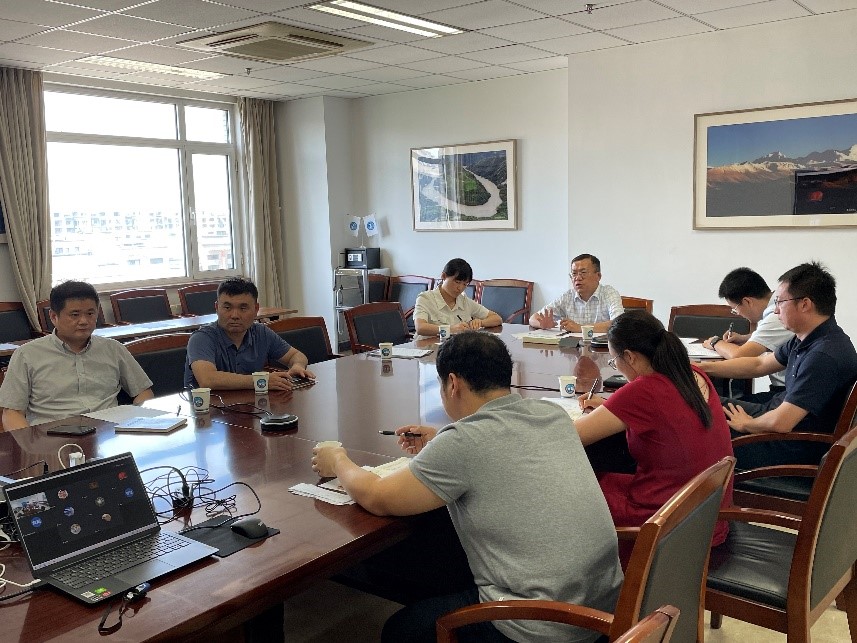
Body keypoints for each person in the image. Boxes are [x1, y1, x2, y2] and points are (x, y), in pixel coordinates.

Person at [312, 332, 622, 643]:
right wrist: (440, 442)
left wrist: (337, 459)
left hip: (541, 627)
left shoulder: (463, 443)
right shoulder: (551, 414)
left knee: (400, 631)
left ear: (452, 383)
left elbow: (376, 496)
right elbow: (501, 448)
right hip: (604, 612)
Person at [575, 310, 734, 545]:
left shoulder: (644, 391)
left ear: (629, 357)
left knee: (574, 492)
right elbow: (668, 414)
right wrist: (611, 407)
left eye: (613, 361)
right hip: (706, 518)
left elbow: (570, 436)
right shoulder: (690, 373)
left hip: (665, 527)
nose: (616, 366)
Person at [698, 262, 857, 469]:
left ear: (805, 304)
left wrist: (746, 424)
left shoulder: (823, 356)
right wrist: (700, 367)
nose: (775, 311)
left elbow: (782, 422)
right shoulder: (808, 338)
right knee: (697, 402)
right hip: (775, 417)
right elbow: (759, 364)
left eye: (780, 302)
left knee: (695, 424)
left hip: (789, 444)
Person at [0, 281, 153, 429]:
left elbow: (143, 391)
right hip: (52, 436)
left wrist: (140, 423)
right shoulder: (26, 355)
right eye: (75, 315)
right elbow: (11, 412)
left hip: (109, 432)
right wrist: (30, 443)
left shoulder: (114, 349)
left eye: (90, 313)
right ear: (53, 317)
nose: (84, 321)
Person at [184, 277, 314, 390]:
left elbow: (296, 355)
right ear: (217, 308)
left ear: (256, 309)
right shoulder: (201, 338)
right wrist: (261, 381)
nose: (234, 315)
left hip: (249, 404)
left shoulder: (261, 332)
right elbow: (208, 379)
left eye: (243, 308)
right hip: (206, 408)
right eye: (227, 307)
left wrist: (298, 366)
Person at [701, 267, 792, 402]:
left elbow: (739, 356)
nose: (737, 314)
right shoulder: (775, 310)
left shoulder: (775, 315)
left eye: (735, 309)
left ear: (747, 301)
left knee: (712, 407)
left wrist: (715, 342)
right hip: (786, 391)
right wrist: (745, 338)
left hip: (787, 394)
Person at [529, 253, 623, 333]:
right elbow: (533, 318)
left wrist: (580, 328)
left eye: (583, 273)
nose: (577, 278)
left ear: (598, 276)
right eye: (574, 274)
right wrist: (542, 324)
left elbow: (619, 323)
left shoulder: (609, 293)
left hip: (602, 347)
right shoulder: (567, 297)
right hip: (573, 347)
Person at [413, 258, 503, 336]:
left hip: (454, 347)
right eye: (457, 282)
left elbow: (497, 319)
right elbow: (420, 327)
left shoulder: (464, 301)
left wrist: (480, 322)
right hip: (426, 347)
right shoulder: (425, 298)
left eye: (465, 284)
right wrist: (450, 330)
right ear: (444, 276)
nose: (460, 288)